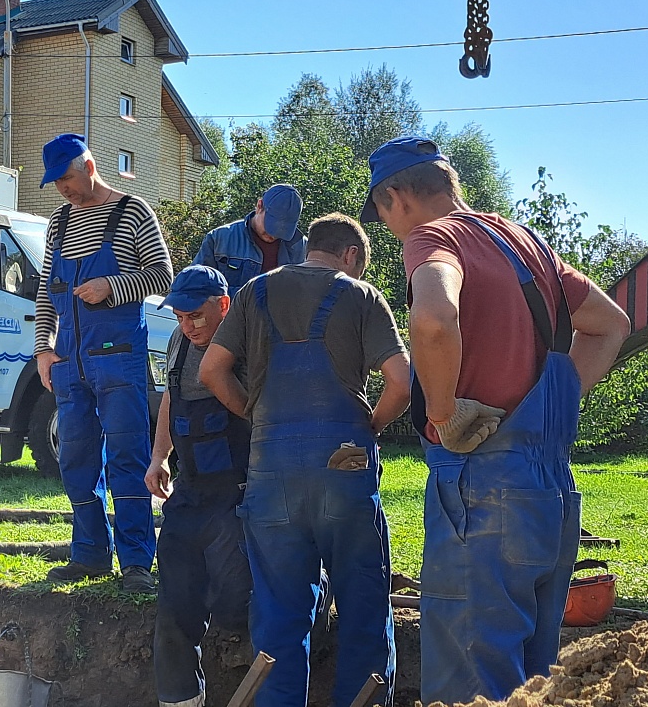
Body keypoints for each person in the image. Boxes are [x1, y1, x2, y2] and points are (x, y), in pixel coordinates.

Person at [360, 136, 629, 704]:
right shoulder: (521, 241)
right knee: (531, 681)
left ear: (398, 196)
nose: (387, 227)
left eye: (382, 212)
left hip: (482, 487)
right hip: (550, 490)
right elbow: (610, 323)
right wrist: (552, 401)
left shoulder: (432, 237)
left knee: (470, 680)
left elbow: (433, 318)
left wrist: (441, 410)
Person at [201, 213, 409, 707]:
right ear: (352, 256)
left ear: (309, 247)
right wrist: (370, 425)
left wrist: (255, 418)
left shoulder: (253, 292)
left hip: (271, 469)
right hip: (346, 466)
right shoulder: (361, 296)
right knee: (362, 607)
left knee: (278, 615)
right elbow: (401, 381)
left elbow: (212, 370)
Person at [34, 133, 173, 593]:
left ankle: (135, 561)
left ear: (89, 166)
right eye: (56, 183)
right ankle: (89, 554)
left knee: (128, 459)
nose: (63, 189)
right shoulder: (57, 222)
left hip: (119, 360)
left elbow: (163, 276)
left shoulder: (134, 212)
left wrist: (111, 286)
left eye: (68, 179)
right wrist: (42, 349)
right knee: (75, 459)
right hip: (70, 362)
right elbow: (45, 292)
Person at [145, 265, 252, 707]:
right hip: (189, 493)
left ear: (223, 306)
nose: (186, 326)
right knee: (173, 606)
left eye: (196, 317)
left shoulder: (249, 344)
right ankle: (180, 701)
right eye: (180, 317)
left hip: (236, 493)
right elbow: (171, 396)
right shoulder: (177, 343)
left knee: (234, 604)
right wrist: (159, 457)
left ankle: (316, 598)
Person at [193, 184, 308, 292]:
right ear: (259, 206)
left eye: (284, 229)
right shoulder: (219, 239)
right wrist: (251, 297)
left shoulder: (304, 248)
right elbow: (195, 286)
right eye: (271, 225)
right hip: (231, 313)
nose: (274, 234)